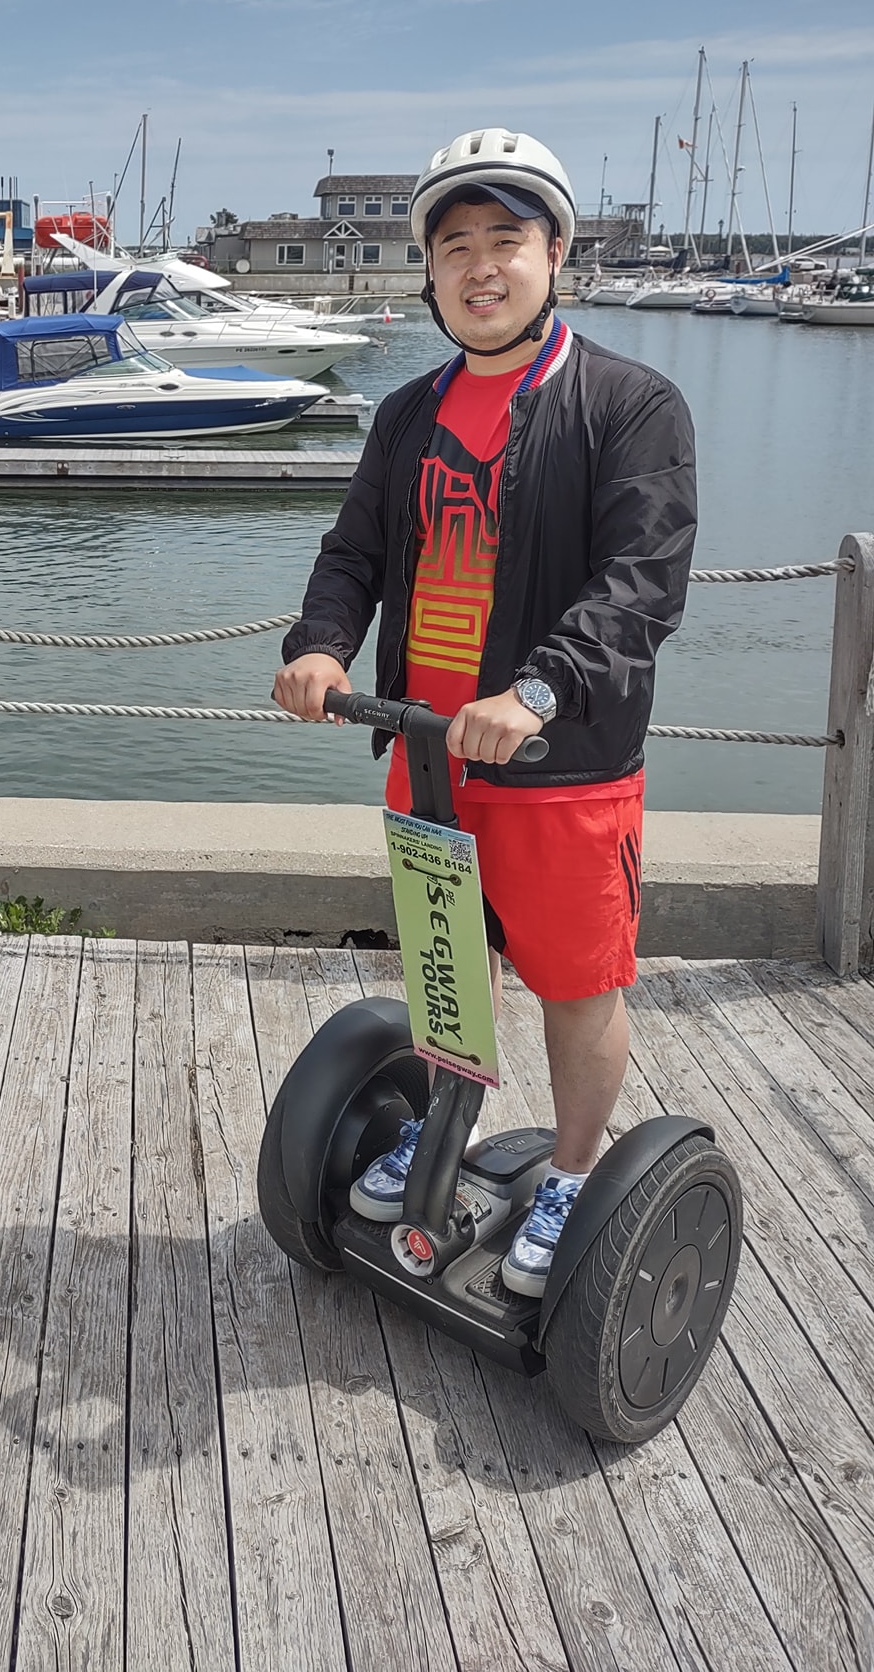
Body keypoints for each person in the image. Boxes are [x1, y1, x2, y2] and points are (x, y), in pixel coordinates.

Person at [274, 129, 696, 1295]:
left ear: (553, 251)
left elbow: (641, 583)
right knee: (450, 966)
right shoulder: (409, 412)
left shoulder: (629, 403)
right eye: (454, 245)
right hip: (429, 754)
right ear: (430, 271)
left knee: (576, 980)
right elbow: (353, 551)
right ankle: (448, 1117)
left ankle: (569, 1166)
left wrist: (540, 687)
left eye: (505, 240)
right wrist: (319, 643)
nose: (480, 266)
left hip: (562, 765)